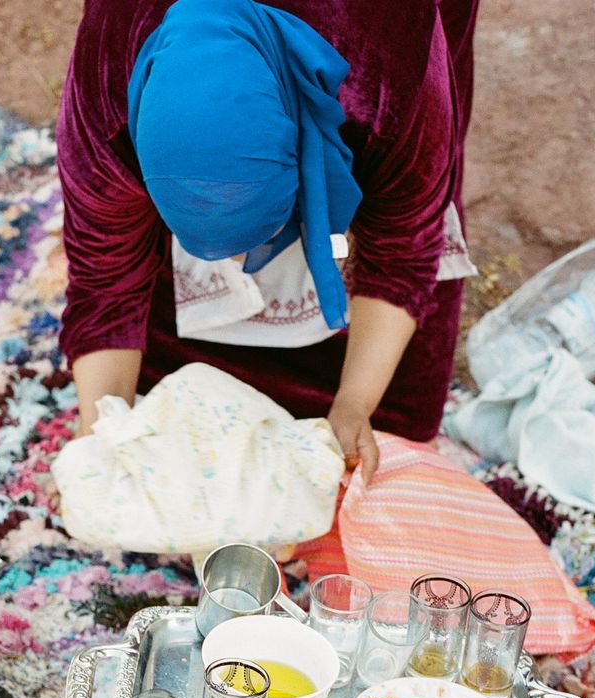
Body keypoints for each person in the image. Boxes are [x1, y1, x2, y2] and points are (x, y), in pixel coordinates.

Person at [56, 0, 480, 484]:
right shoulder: (106, 91)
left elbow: (405, 246)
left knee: (395, 428)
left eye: (249, 243)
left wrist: (355, 402)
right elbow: (104, 279)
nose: (236, 266)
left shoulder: (389, 81)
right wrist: (99, 440)